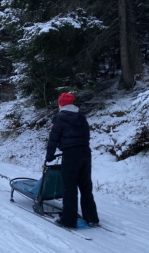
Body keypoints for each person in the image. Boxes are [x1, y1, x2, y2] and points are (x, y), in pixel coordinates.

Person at [45, 92, 99, 228]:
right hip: (86, 153)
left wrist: (49, 156)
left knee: (70, 188)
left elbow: (53, 139)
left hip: (70, 155)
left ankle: (68, 221)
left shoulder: (59, 118)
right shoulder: (81, 117)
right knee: (86, 186)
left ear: (60, 104)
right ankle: (92, 217)